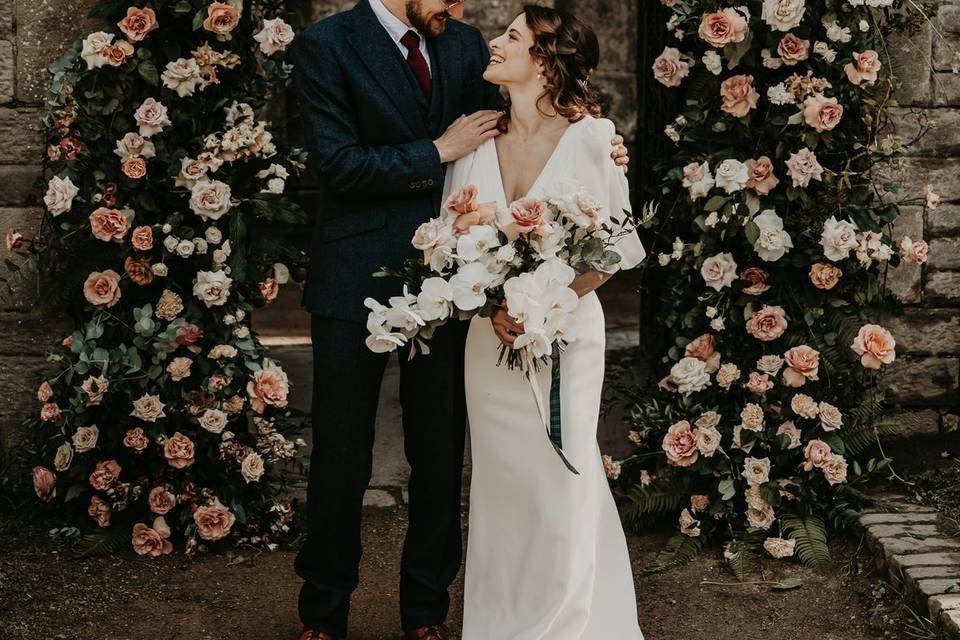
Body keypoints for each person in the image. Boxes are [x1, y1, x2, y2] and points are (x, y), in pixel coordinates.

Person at [289, 1, 630, 639]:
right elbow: (336, 163)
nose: (460, 5)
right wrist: (437, 149)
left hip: (458, 285)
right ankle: (324, 613)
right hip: (353, 277)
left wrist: (600, 145)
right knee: (341, 452)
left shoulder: (467, 45)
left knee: (439, 452)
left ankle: (427, 612)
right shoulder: (326, 45)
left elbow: (529, 107)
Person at [446, 6, 647, 638]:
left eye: (512, 35)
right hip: (490, 340)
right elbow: (449, 239)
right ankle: (498, 622)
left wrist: (539, 306)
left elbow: (614, 251)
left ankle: (564, 625)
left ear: (544, 58)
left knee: (563, 472)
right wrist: (490, 305)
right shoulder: (475, 138)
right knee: (502, 486)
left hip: (564, 337)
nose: (497, 42)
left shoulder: (592, 137)